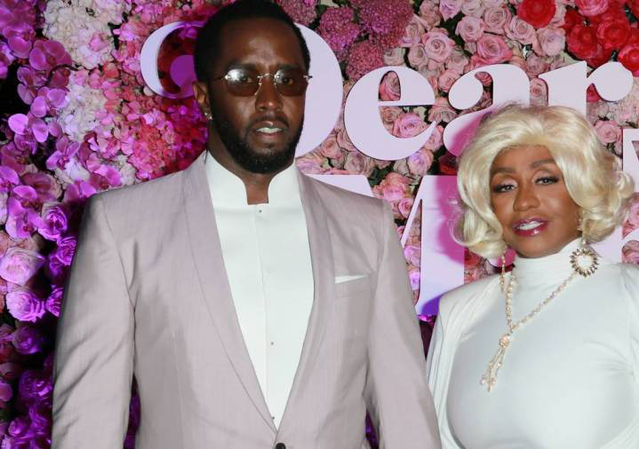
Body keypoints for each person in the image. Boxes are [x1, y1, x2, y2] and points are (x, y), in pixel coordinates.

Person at [51, 1, 440, 448]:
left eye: (287, 80)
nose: (270, 100)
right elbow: (88, 422)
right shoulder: (123, 227)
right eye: (243, 79)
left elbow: (406, 412)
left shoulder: (367, 226)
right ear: (204, 97)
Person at [427, 105, 639, 448]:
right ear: (488, 204)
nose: (524, 202)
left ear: (582, 188)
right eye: (505, 186)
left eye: (545, 179)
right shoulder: (459, 311)